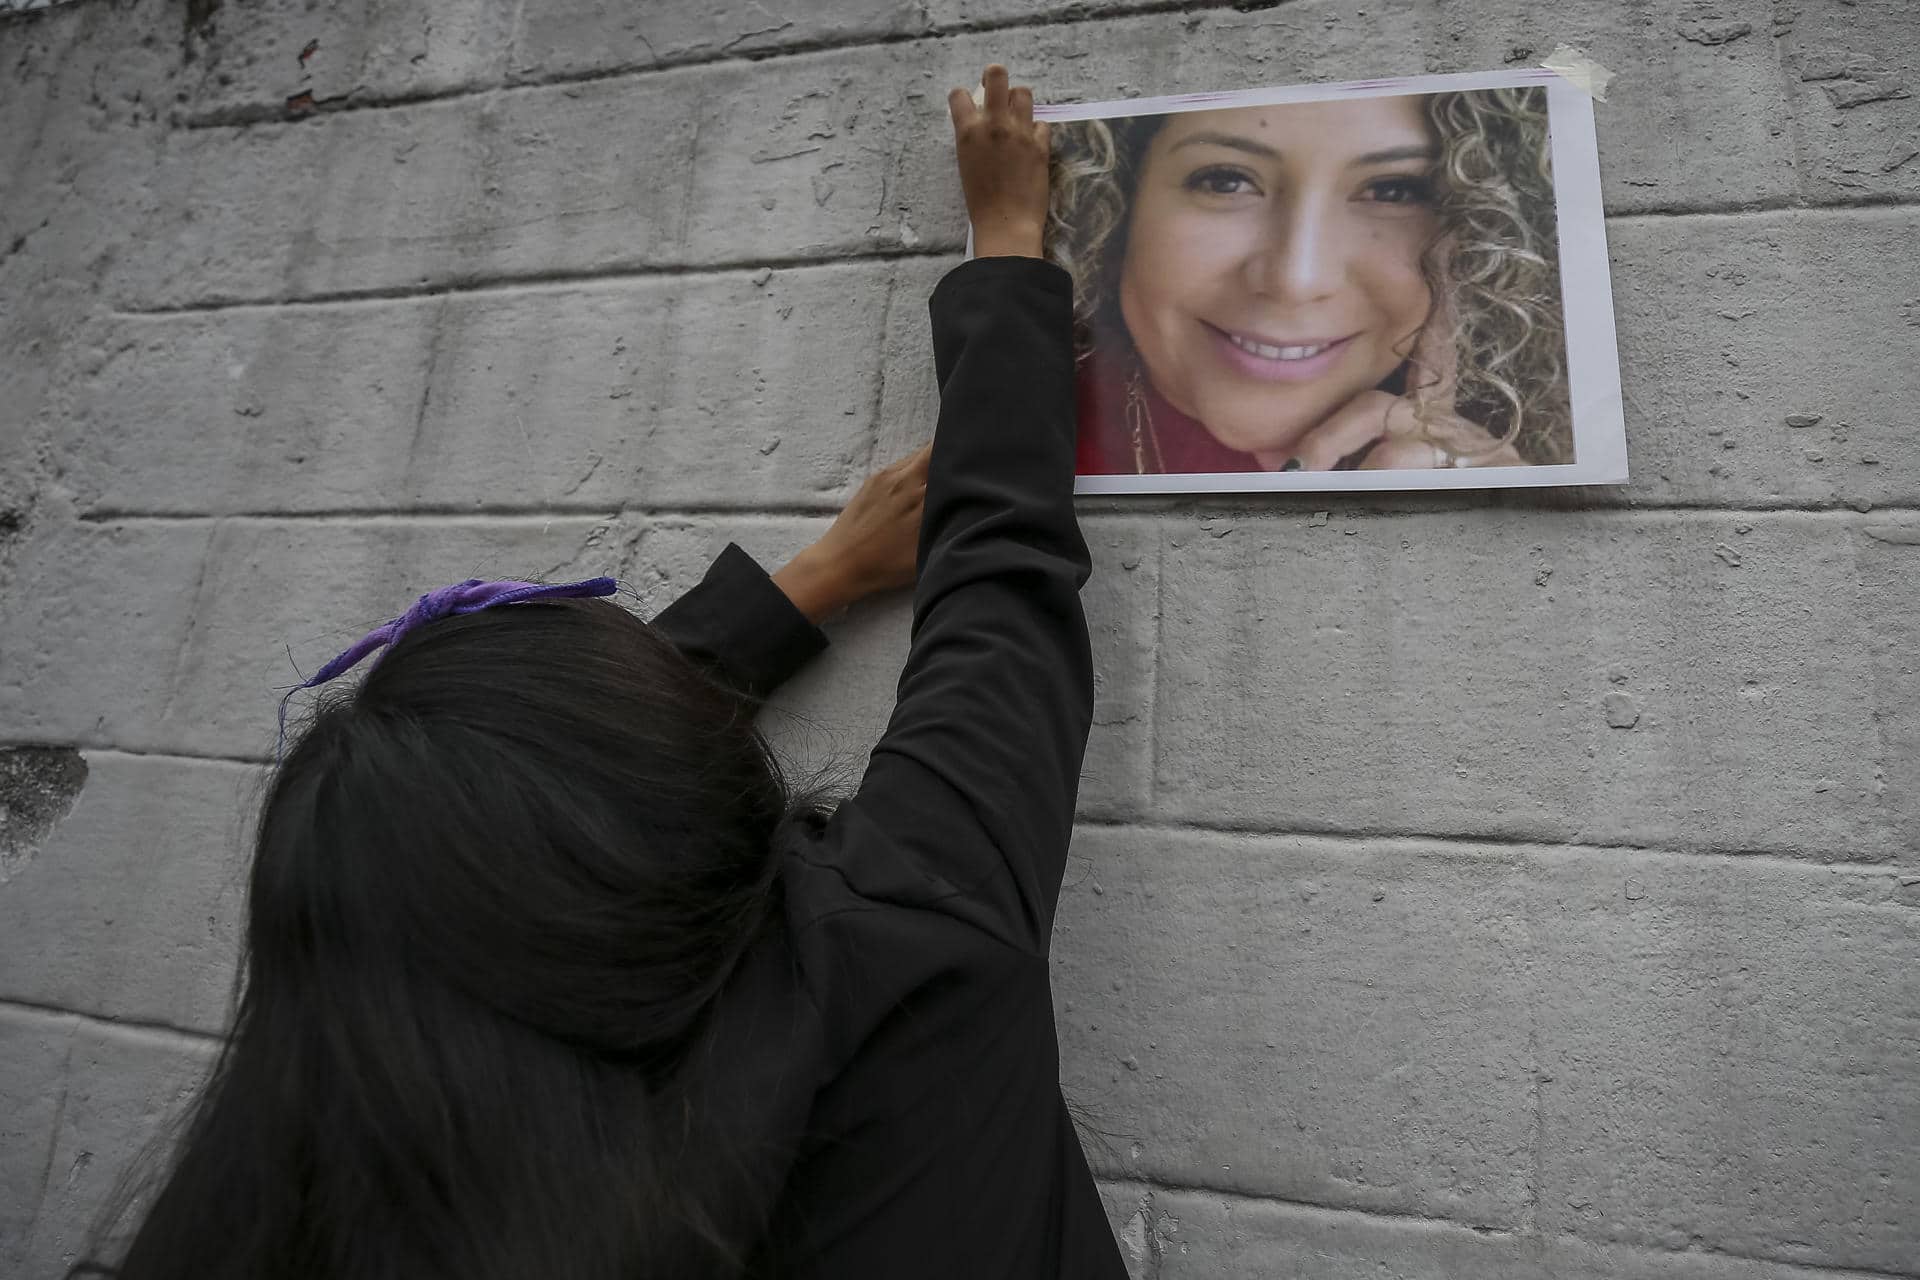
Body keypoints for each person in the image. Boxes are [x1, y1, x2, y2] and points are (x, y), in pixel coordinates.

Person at [80, 64, 1127, 1280]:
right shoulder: (899, 954)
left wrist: (817, 576)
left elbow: (563, 789)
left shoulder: (333, 1160)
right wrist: (1008, 240)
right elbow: (1003, 584)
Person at [1051, 87, 1572, 475]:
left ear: (1484, 236)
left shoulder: (1530, 459)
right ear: (1115, 205)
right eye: (1225, 181)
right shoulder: (1014, 444)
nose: (1294, 280)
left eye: (1392, 191)